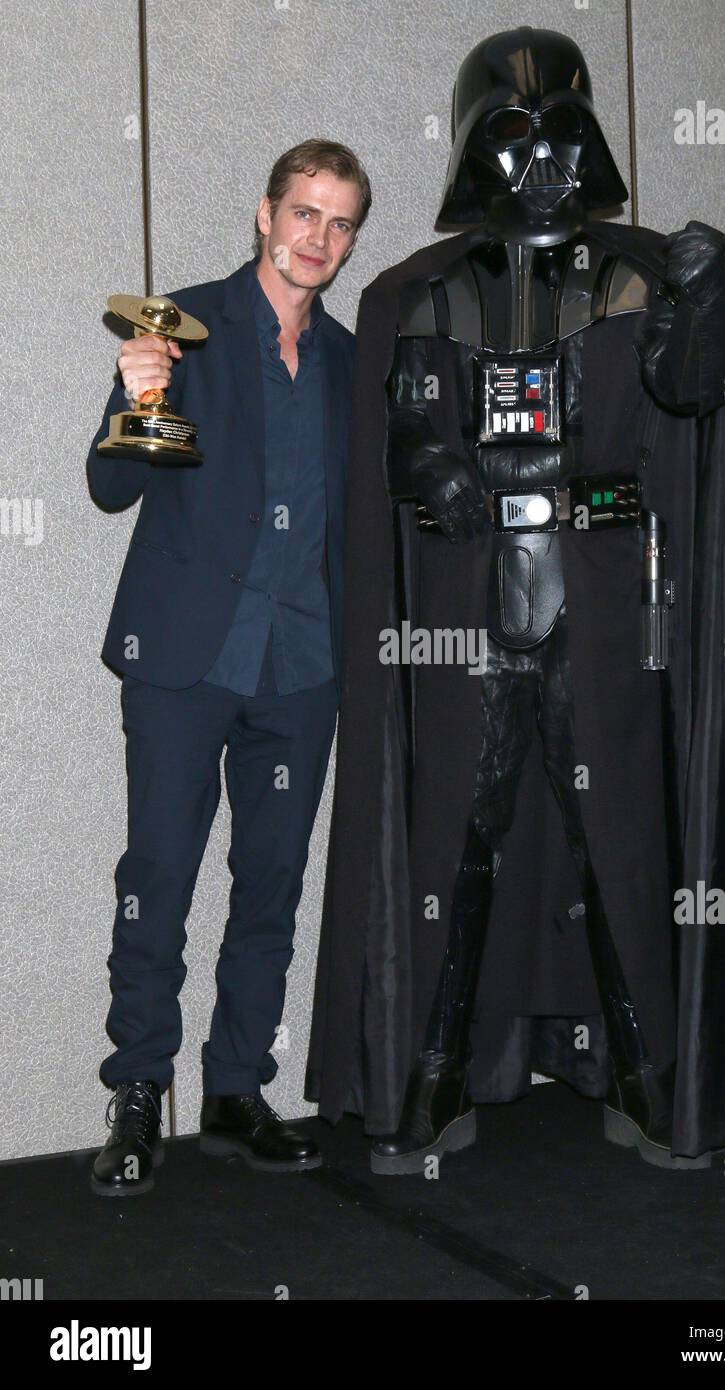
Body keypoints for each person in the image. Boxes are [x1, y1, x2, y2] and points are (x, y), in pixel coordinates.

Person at [305, 29, 725, 1174]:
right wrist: (429, 464)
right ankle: (426, 1082)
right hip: (465, 614)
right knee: (456, 849)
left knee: (615, 844)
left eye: (563, 140)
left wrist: (705, 292)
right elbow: (407, 435)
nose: (541, 170)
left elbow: (688, 390)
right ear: (476, 153)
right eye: (514, 144)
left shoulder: (639, 274)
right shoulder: (416, 293)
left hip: (606, 611)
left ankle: (646, 1078)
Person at [86, 139, 370, 1196]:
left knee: (273, 883)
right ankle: (135, 1095)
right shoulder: (181, 327)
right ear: (263, 214)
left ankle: (237, 1089)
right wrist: (132, 394)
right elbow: (109, 489)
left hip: (301, 666)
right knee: (157, 877)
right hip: (183, 659)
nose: (318, 239)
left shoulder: (349, 363)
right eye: (304, 213)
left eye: (339, 223)